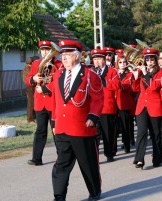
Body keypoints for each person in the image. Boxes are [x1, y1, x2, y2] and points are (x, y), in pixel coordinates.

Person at [51, 40, 104, 201]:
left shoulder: (90, 75)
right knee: (61, 164)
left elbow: (98, 98)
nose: (64, 58)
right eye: (62, 55)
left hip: (82, 128)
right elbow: (56, 100)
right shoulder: (58, 74)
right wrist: (54, 121)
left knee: (88, 164)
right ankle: (59, 196)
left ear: (76, 56)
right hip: (62, 127)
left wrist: (93, 116)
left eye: (67, 55)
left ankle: (94, 192)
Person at [26, 40, 62, 166]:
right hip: (40, 103)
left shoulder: (59, 64)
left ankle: (61, 157)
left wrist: (45, 88)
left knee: (56, 130)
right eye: (43, 50)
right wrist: (33, 78)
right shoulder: (36, 64)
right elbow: (28, 79)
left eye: (47, 50)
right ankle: (37, 158)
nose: (45, 52)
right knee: (40, 130)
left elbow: (58, 82)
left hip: (53, 102)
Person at [132, 48, 162, 169]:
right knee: (141, 132)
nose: (149, 62)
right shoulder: (142, 72)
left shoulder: (160, 73)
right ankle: (139, 158)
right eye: (147, 60)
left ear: (156, 60)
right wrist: (135, 77)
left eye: (152, 60)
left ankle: (157, 157)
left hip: (154, 105)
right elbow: (135, 90)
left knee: (155, 134)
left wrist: (145, 74)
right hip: (141, 106)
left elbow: (154, 87)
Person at [91, 49, 120, 162]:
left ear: (104, 60)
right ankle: (94, 154)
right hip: (94, 107)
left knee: (108, 132)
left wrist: (103, 79)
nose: (97, 61)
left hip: (107, 106)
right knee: (95, 133)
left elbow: (116, 85)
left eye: (99, 59)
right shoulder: (90, 71)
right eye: (95, 59)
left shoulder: (112, 71)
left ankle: (109, 153)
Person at [115, 53, 135, 153]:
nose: (122, 64)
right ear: (117, 63)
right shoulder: (114, 73)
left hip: (125, 103)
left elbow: (126, 86)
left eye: (124, 62)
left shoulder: (129, 74)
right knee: (115, 126)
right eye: (120, 62)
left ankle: (127, 145)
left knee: (125, 125)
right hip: (115, 102)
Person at [22, 57, 36, 124]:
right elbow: (28, 79)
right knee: (30, 103)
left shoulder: (28, 68)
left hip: (32, 87)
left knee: (34, 103)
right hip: (30, 87)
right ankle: (30, 119)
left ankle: (34, 117)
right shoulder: (27, 69)